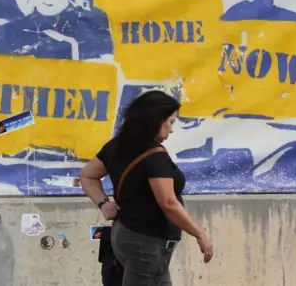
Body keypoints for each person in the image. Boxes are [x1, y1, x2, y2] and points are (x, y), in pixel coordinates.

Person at [79, 90, 214, 285]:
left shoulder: (117, 146)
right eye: (171, 122)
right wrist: (200, 234)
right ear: (155, 120)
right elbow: (168, 203)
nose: (171, 129)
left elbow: (87, 176)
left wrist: (103, 203)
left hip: (128, 234)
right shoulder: (154, 156)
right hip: (147, 242)